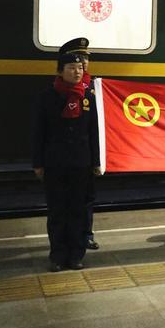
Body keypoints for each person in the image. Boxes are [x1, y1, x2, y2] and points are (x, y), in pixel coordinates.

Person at [32, 53, 100, 271]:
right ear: (60, 71)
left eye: (80, 68)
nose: (77, 72)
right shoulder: (47, 96)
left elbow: (94, 132)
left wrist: (96, 161)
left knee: (78, 211)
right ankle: (57, 256)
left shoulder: (88, 97)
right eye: (71, 68)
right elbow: (39, 132)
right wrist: (38, 162)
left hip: (81, 162)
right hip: (55, 162)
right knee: (57, 211)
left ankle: (76, 255)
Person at [59, 37, 100, 251]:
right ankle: (65, 239)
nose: (83, 62)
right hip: (63, 155)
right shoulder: (57, 89)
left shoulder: (94, 87)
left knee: (86, 198)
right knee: (63, 199)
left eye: (85, 58)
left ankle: (86, 235)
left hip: (86, 153)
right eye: (78, 58)